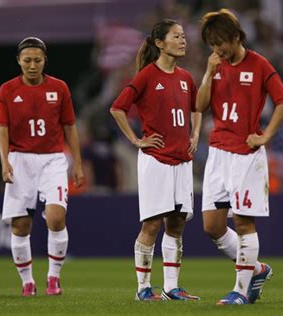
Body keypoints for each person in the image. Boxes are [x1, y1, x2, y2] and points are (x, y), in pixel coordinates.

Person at [197, 9, 283, 305]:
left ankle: (240, 290)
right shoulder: (216, 66)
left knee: (243, 222)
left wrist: (265, 136)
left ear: (235, 37)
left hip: (246, 155)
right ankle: (257, 268)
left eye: (220, 43)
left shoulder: (260, 64)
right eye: (212, 45)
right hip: (218, 152)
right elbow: (199, 106)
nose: (217, 50)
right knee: (212, 227)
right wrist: (209, 72)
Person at [110, 19, 202, 301]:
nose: (183, 40)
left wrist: (195, 134)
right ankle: (143, 289)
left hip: (182, 159)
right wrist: (137, 140)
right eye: (176, 36)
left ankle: (172, 287)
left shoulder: (186, 77)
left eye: (183, 36)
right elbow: (117, 108)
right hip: (156, 160)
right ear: (160, 43)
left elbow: (197, 108)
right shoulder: (147, 76)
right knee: (151, 225)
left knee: (176, 224)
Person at [0, 37, 84, 297]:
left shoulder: (59, 88)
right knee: (20, 226)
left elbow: (69, 126)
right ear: (18, 61)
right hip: (19, 159)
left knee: (56, 218)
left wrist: (77, 163)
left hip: (53, 159)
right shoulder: (7, 90)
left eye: (37, 60)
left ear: (45, 60)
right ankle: (27, 282)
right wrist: (4, 162)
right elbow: (2, 130)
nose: (32, 65)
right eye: (27, 60)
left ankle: (53, 278)